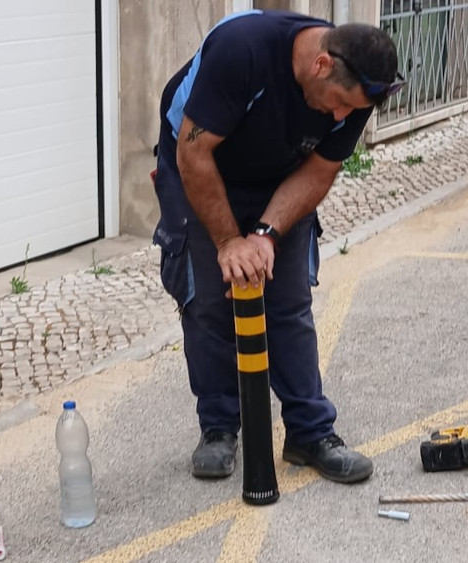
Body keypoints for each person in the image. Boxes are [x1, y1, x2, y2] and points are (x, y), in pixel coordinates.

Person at [151, 10, 402, 484]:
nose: (343, 117)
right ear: (322, 65)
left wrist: (265, 234)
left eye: (353, 110)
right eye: (340, 105)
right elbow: (193, 151)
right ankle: (219, 427)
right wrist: (228, 241)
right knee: (208, 300)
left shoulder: (361, 87)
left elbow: (320, 170)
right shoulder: (243, 50)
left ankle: (310, 433)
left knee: (287, 302)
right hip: (198, 164)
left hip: (280, 172)